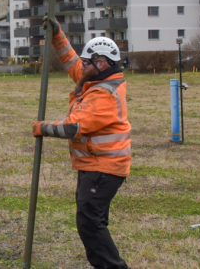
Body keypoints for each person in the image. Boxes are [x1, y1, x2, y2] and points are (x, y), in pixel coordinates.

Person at [32, 18, 131, 269]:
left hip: (103, 168)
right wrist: (57, 35)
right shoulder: (95, 78)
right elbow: (71, 61)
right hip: (95, 164)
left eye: (87, 62)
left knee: (89, 223)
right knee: (93, 221)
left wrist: (42, 128)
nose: (82, 65)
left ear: (102, 62)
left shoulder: (104, 93)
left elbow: (72, 128)